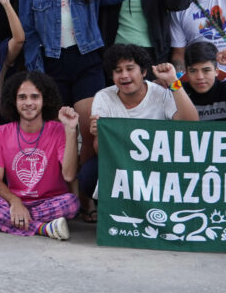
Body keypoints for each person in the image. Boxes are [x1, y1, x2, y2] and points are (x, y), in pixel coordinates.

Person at [80, 45, 200, 214]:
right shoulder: (103, 97)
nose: (124, 75)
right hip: (120, 165)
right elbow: (101, 151)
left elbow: (191, 123)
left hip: (159, 166)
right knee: (88, 174)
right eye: (117, 71)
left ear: (143, 72)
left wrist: (174, 81)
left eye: (130, 69)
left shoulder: (161, 93)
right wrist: (99, 134)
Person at [0, 71, 80, 239]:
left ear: (44, 100)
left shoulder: (58, 130)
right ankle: (44, 229)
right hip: (13, 202)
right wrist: (15, 202)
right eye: (22, 97)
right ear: (14, 101)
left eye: (35, 97)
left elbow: (69, 175)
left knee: (72, 203)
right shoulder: (1, 133)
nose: (28, 103)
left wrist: (70, 130)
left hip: (49, 202)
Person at [20, 0, 132, 106]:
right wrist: (37, 75)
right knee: (60, 125)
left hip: (87, 61)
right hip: (51, 64)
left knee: (88, 123)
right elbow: (30, 38)